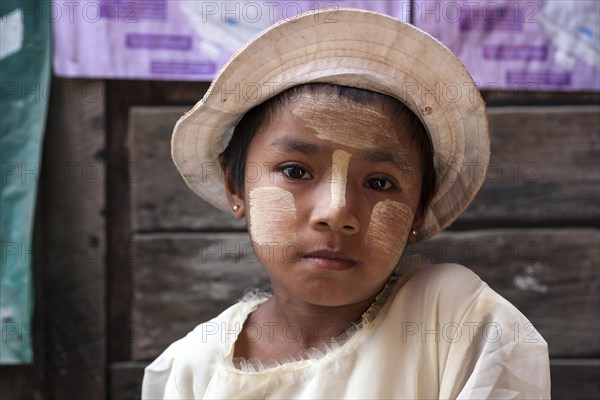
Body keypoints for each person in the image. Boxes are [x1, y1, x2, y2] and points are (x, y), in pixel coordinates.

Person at [142, 8, 550, 399]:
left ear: (419, 209)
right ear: (236, 186)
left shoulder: (458, 322)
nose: (336, 212)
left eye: (379, 182)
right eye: (296, 172)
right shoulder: (192, 366)